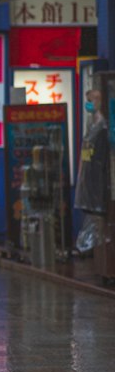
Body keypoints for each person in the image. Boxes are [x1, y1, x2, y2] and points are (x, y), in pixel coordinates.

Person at [74, 88, 109, 255]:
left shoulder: (104, 125)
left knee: (99, 218)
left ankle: (96, 249)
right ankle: (93, 249)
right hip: (89, 178)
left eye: (95, 98)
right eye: (89, 99)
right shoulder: (93, 124)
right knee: (93, 217)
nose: (91, 103)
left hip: (100, 179)